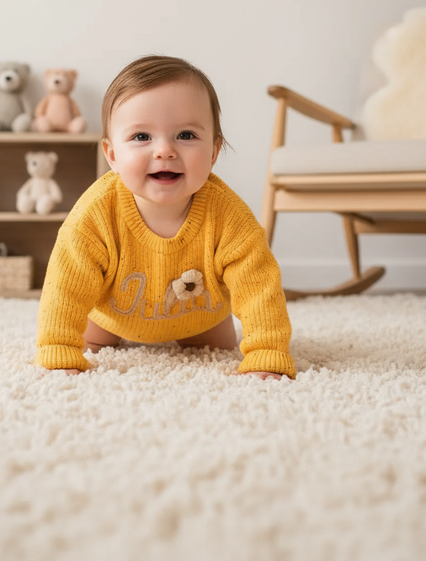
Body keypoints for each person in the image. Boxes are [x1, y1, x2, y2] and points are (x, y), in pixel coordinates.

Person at [35, 55, 296, 381]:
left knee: (217, 348)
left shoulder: (229, 217)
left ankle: (205, 334)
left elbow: (259, 288)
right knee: (90, 340)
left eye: (185, 135)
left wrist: (267, 353)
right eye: (142, 137)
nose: (164, 151)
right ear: (112, 155)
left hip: (203, 316)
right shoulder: (95, 215)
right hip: (111, 318)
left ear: (214, 152)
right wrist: (58, 348)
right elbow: (66, 287)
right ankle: (96, 337)